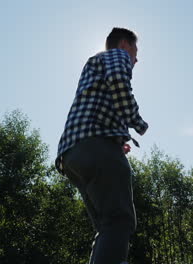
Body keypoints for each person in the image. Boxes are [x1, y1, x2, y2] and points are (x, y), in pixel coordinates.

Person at [55, 27, 148, 264]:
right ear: (126, 44)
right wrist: (137, 122)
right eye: (135, 51)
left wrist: (117, 139)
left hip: (73, 154)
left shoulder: (95, 64)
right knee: (119, 220)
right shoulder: (117, 55)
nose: (136, 59)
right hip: (95, 146)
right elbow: (119, 84)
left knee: (107, 226)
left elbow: (101, 104)